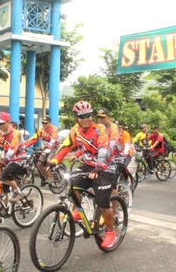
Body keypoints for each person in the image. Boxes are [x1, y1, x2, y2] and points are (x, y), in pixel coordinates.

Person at [50, 100, 117, 248]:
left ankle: (111, 232)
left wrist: (98, 168)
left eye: (88, 115)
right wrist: (54, 161)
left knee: (103, 202)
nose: (86, 119)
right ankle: (78, 211)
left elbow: (103, 150)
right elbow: (66, 146)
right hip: (88, 165)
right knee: (74, 183)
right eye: (82, 116)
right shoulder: (75, 130)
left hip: (105, 167)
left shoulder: (100, 129)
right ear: (76, 117)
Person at [0, 112, 26, 203]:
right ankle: (7, 207)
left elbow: (13, 149)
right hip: (8, 159)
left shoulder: (16, 133)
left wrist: (4, 160)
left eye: (2, 123)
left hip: (19, 158)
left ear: (8, 122)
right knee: (2, 182)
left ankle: (18, 192)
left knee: (4, 176)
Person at [22, 116, 60, 185]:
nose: (44, 124)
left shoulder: (54, 129)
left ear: (50, 122)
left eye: (45, 123)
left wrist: (50, 147)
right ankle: (46, 177)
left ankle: (51, 177)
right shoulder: (41, 130)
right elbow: (35, 138)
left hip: (54, 147)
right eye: (42, 123)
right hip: (46, 148)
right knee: (39, 164)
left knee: (48, 160)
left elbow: (53, 139)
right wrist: (25, 145)